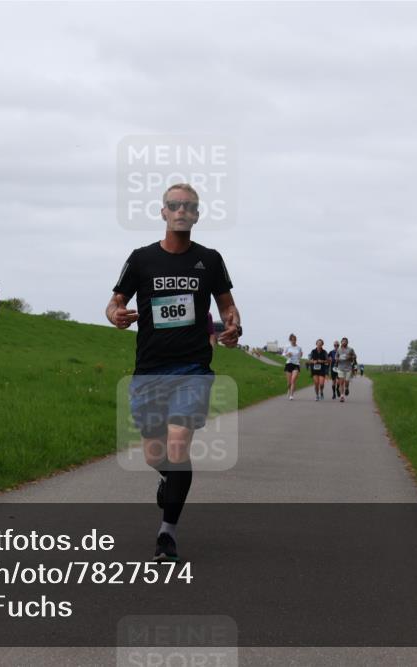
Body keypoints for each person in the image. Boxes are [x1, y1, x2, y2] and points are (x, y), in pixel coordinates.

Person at [106, 183, 241, 562]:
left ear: (197, 215)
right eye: (174, 205)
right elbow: (115, 302)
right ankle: (169, 478)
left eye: (189, 206)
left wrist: (233, 326)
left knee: (178, 445)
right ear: (163, 212)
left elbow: (228, 307)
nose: (181, 210)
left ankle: (167, 533)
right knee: (155, 455)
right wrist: (115, 315)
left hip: (193, 368)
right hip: (149, 370)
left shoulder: (210, 261)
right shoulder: (141, 259)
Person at [335, 337, 357, 402]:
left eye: (345, 341)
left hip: (348, 368)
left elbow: (355, 356)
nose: (344, 342)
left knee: (346, 382)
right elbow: (336, 357)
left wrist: (350, 357)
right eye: (343, 341)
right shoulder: (338, 350)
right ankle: (342, 396)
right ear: (341, 342)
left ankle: (347, 388)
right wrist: (337, 359)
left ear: (347, 342)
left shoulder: (350, 349)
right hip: (340, 368)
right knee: (341, 382)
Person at [282, 334, 302, 400]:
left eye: (295, 340)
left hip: (296, 364)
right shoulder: (287, 347)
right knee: (289, 382)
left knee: (293, 380)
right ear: (290, 340)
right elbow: (283, 354)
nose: (294, 341)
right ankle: (288, 388)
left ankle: (291, 395)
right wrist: (287, 354)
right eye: (292, 340)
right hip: (289, 364)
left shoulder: (299, 348)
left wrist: (301, 355)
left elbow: (299, 357)